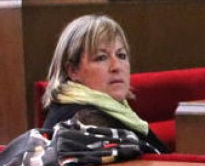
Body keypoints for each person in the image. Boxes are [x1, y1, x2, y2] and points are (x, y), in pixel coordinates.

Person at [39, 14, 168, 153]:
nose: (116, 66)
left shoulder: (111, 110)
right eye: (101, 58)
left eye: (121, 55)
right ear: (73, 70)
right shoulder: (83, 122)